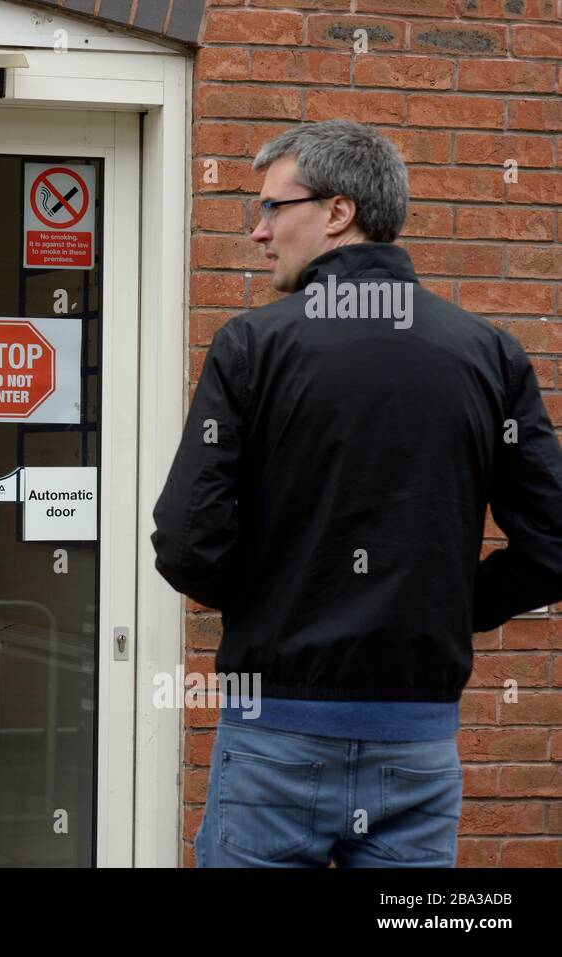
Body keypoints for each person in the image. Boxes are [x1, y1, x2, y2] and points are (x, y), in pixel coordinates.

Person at [152, 120, 562, 867]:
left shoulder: (253, 347)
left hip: (274, 735)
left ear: (338, 212)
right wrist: (441, 601)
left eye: (274, 207)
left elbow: (187, 542)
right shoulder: (491, 355)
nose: (258, 232)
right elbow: (552, 549)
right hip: (417, 747)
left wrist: (281, 597)